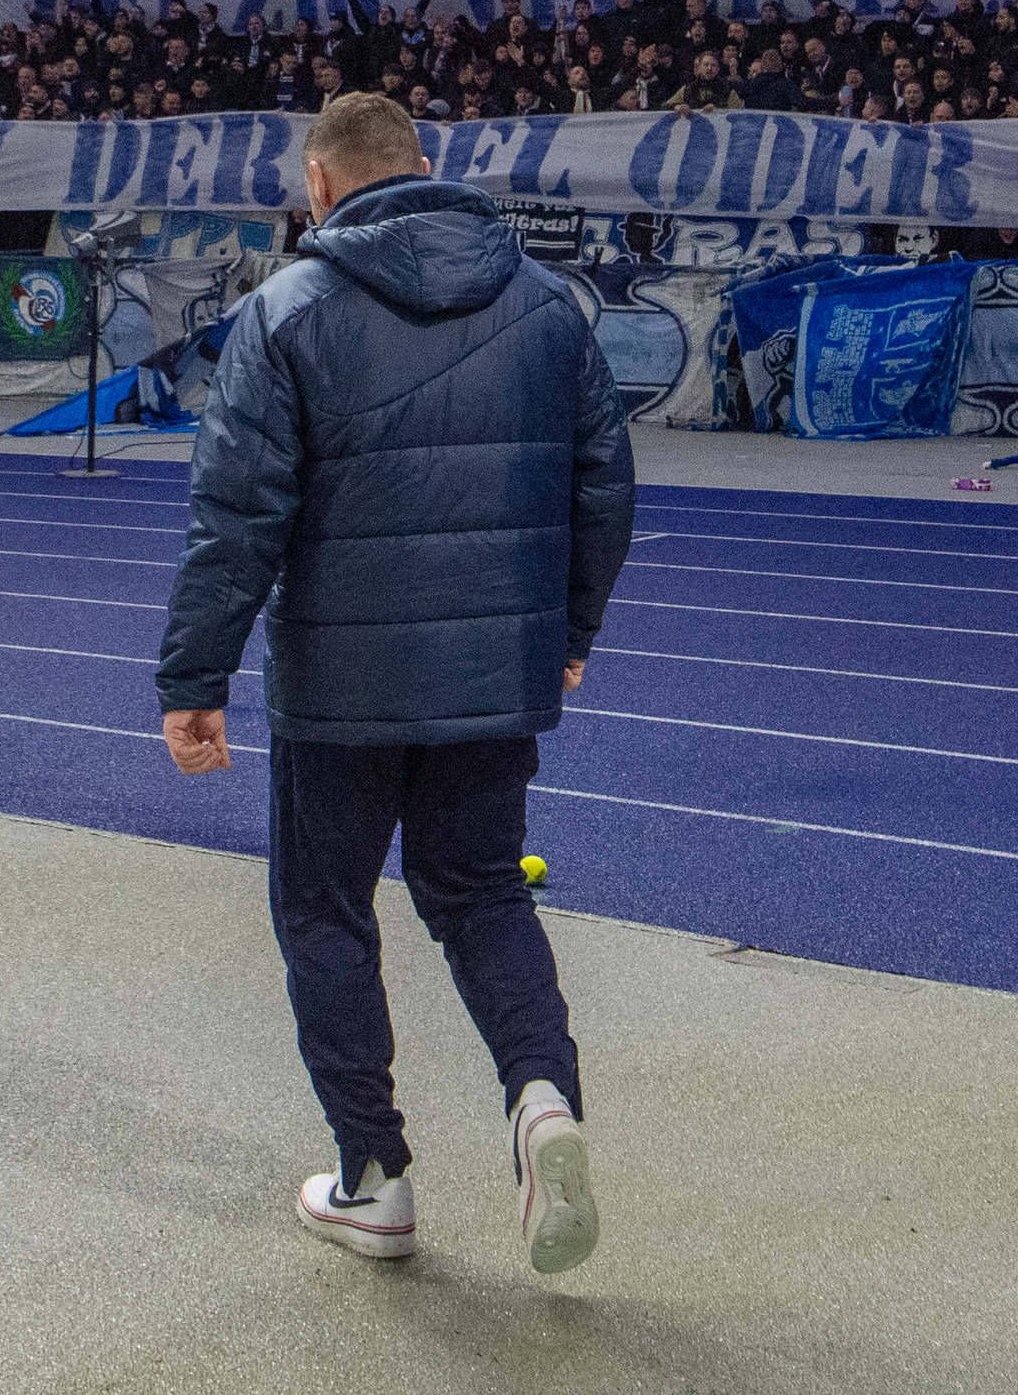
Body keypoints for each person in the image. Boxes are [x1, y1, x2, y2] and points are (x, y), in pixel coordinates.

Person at [154, 90, 638, 1275]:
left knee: (327, 909)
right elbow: (606, 488)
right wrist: (567, 630)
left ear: (321, 185)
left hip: (342, 686)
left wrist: (195, 672)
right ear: (429, 167)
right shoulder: (545, 306)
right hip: (494, 672)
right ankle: (542, 1101)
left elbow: (236, 516)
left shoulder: (286, 311)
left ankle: (374, 1180)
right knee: (480, 894)